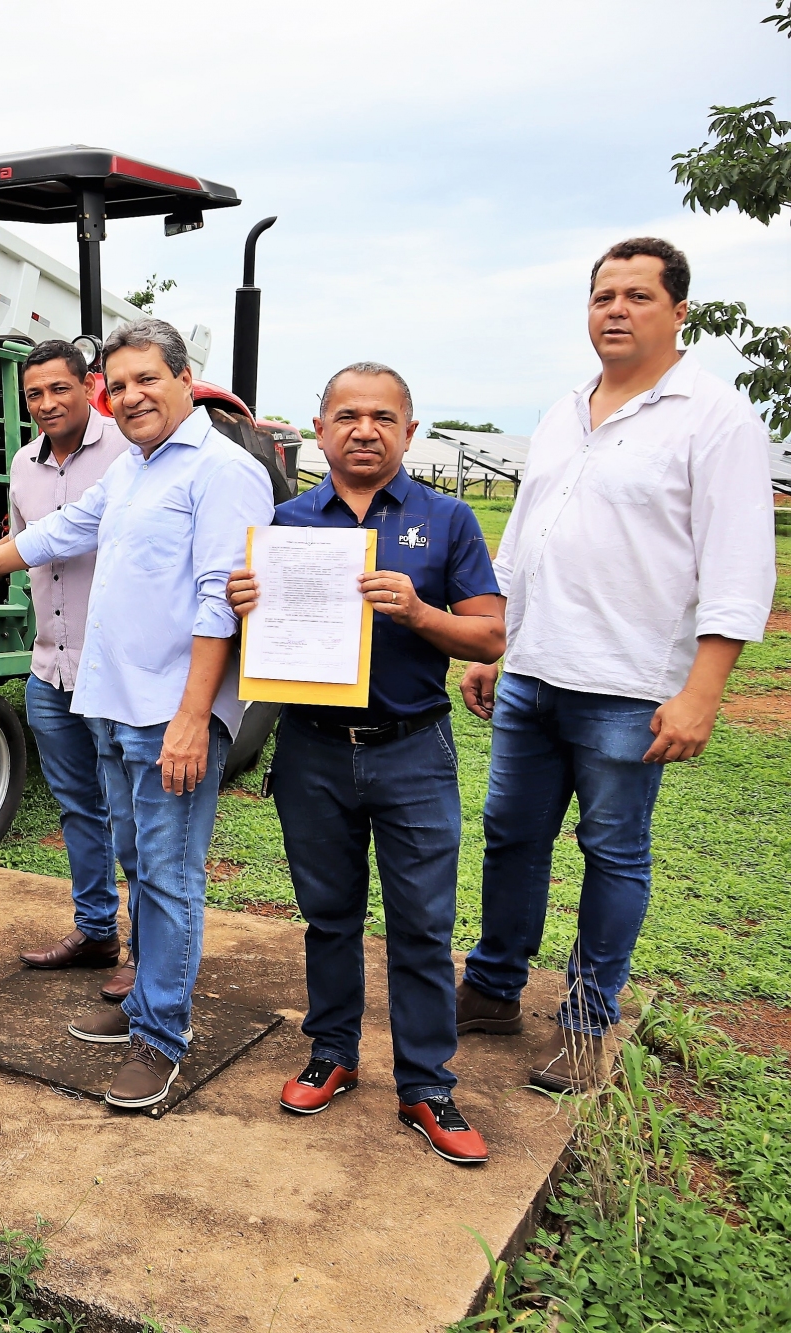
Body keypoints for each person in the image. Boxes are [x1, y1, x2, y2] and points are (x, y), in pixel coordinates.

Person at [0, 318, 274, 1112]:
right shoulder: (139, 468)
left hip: (167, 712)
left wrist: (192, 717)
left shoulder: (222, 469)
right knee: (140, 866)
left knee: (171, 879)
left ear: (183, 378)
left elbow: (222, 598)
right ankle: (143, 1004)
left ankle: (161, 1039)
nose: (133, 394)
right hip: (111, 702)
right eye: (121, 382)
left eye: (149, 378)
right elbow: (60, 531)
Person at [457, 238, 776, 1093]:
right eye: (604, 295)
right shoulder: (565, 410)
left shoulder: (714, 416)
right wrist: (499, 642)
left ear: (679, 311)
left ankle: (588, 1023)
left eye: (638, 295)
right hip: (533, 671)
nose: (616, 309)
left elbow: (740, 564)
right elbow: (523, 541)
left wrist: (701, 690)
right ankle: (492, 987)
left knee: (613, 852)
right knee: (511, 837)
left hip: (631, 687)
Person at [226, 362, 504, 1165]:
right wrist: (250, 610)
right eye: (346, 414)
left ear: (409, 432)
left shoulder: (446, 521)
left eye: (384, 416)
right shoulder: (284, 524)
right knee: (329, 915)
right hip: (312, 749)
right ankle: (332, 1053)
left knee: (422, 923)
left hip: (412, 748)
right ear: (319, 430)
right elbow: (256, 646)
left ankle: (427, 1084)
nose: (364, 428)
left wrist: (419, 612)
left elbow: (490, 635)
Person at [0, 341, 135, 999]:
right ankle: (95, 930)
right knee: (79, 808)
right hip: (48, 667)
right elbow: (23, 542)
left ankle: (145, 950)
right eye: (34, 394)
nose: (47, 404)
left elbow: (68, 536)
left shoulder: (128, 453)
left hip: (111, 670)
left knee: (132, 815)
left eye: (59, 389)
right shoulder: (23, 463)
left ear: (90, 386)